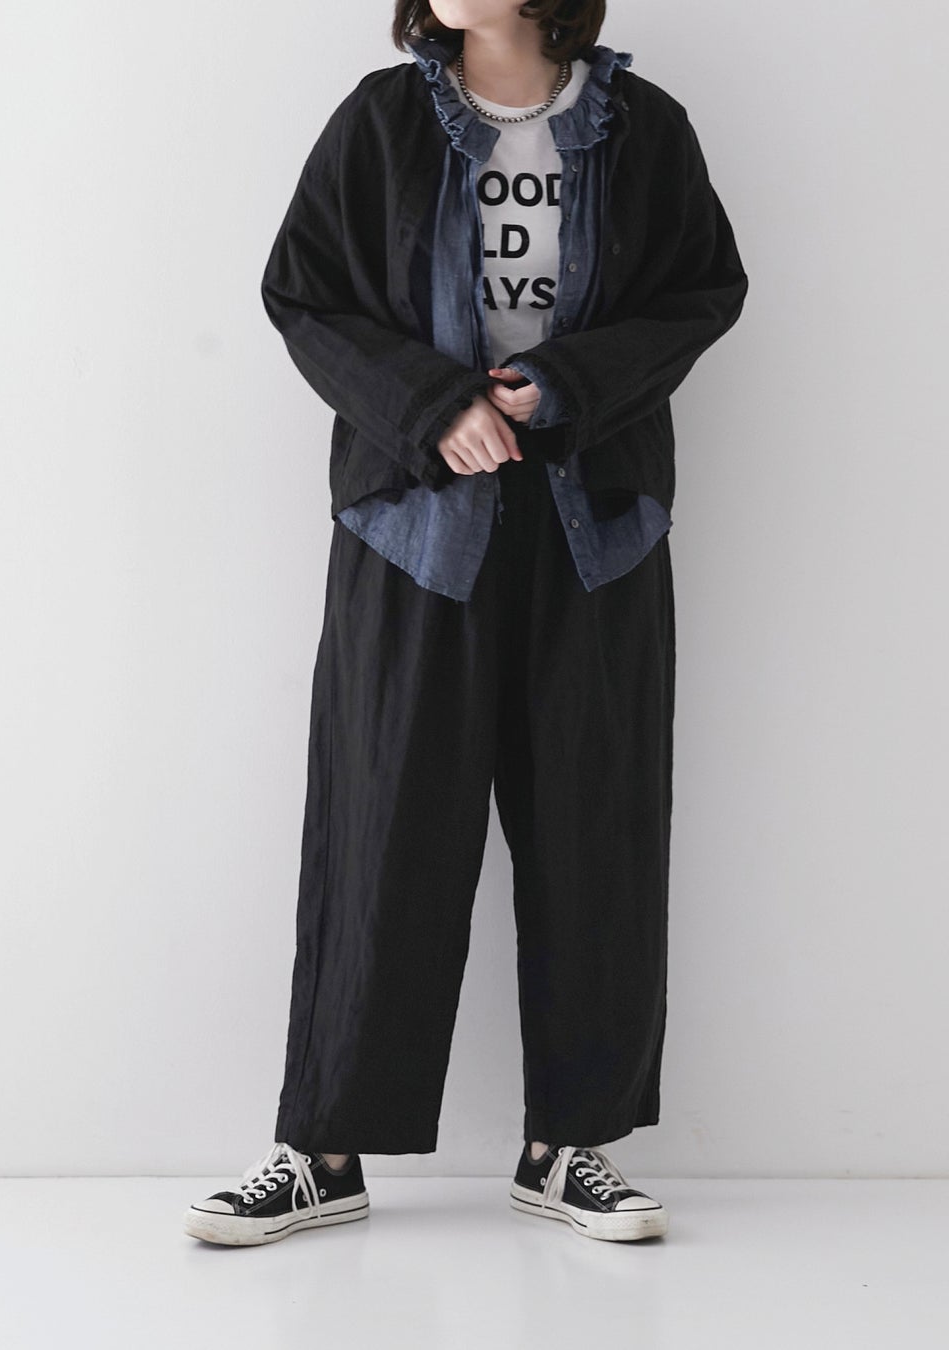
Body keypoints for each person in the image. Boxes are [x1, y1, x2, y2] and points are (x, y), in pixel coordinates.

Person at [185, 0, 747, 1247]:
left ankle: (570, 1145)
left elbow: (704, 290)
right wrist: (432, 406)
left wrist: (567, 384)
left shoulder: (645, 129)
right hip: (414, 523)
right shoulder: (380, 123)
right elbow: (305, 294)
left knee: (593, 827)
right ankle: (323, 1150)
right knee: (383, 820)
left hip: (593, 523)